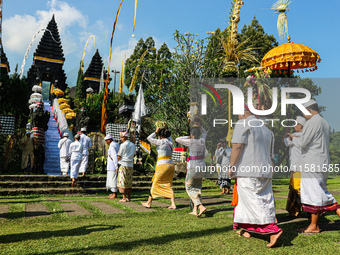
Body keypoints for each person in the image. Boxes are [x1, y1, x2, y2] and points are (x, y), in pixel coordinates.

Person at [229, 105, 282, 248]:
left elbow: (237, 146)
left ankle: (272, 230)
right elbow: (271, 153)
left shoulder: (243, 123)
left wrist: (232, 166)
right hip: (265, 169)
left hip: (249, 169)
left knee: (253, 201)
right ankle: (247, 228)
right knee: (264, 199)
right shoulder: (266, 129)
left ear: (243, 112)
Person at [288, 100, 340, 233]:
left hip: (312, 162)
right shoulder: (324, 122)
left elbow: (303, 143)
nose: (304, 117)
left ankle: (314, 226)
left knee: (314, 194)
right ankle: (313, 224)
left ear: (309, 111)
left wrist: (294, 138)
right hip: (321, 161)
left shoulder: (312, 122)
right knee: (322, 192)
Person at [141, 126, 176, 209]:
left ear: (160, 136)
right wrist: (167, 129)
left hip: (162, 165)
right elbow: (169, 137)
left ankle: (148, 203)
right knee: (168, 184)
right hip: (171, 165)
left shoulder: (160, 142)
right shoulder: (170, 142)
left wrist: (155, 132)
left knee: (155, 183)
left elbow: (149, 138)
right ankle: (173, 204)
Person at [176, 124, 207, 217]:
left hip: (193, 165)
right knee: (197, 187)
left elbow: (177, 139)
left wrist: (188, 136)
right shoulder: (202, 140)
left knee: (189, 187)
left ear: (192, 135)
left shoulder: (190, 141)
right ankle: (195, 210)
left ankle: (200, 206)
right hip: (202, 165)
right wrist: (200, 127)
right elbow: (205, 132)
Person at [283, 116, 306, 217]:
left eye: (295, 124)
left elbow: (285, 142)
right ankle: (295, 210)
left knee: (297, 189)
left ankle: (313, 208)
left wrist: (286, 133)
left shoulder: (295, 136)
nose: (294, 126)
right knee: (294, 189)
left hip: (297, 167)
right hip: (298, 167)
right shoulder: (305, 136)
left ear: (300, 125)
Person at [117, 132, 136, 202]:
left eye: (122, 137)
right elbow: (134, 155)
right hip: (130, 164)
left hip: (123, 164)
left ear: (125, 137)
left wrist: (117, 162)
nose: (121, 139)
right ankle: (129, 197)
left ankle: (124, 197)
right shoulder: (133, 145)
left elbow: (119, 155)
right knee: (129, 180)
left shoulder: (123, 145)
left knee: (123, 181)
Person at [105, 135, 120, 199]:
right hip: (111, 165)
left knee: (113, 179)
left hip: (112, 165)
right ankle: (113, 192)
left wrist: (116, 166)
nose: (106, 142)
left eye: (106, 141)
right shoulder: (115, 144)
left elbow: (114, 156)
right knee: (111, 179)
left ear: (110, 140)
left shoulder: (112, 146)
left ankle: (115, 194)